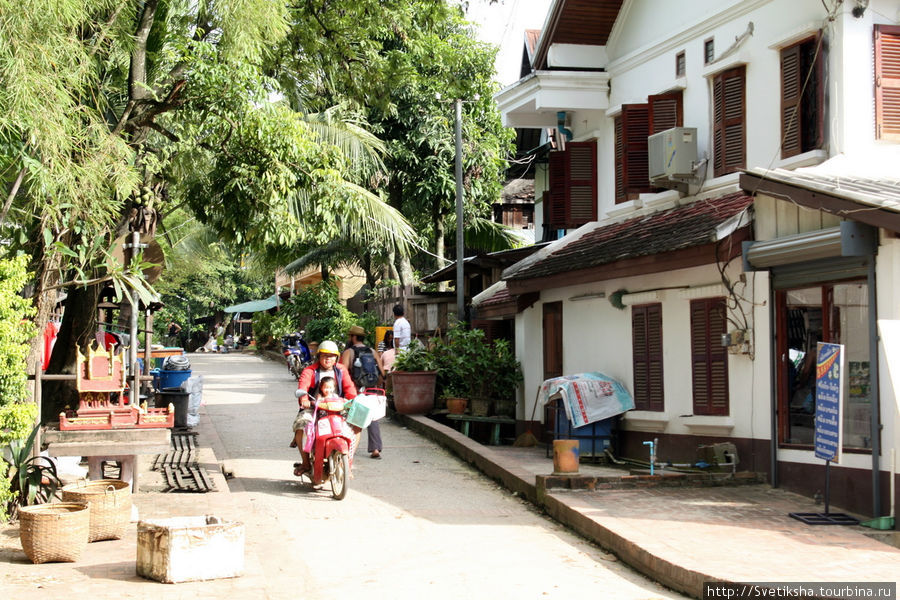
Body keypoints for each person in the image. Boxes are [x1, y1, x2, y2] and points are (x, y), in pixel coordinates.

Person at [292, 340, 357, 476]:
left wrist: (353, 400)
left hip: (338, 407)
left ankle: (348, 463)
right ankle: (306, 463)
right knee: (300, 427)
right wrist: (304, 400)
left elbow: (349, 388)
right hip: (315, 407)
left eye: (331, 356)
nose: (328, 359)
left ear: (336, 358)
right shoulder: (310, 370)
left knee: (357, 424)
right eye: (324, 355)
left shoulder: (341, 370)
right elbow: (303, 386)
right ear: (319, 356)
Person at [341, 325, 385, 459]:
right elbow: (382, 372)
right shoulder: (372, 351)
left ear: (353, 337)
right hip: (371, 389)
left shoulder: (349, 352)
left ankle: (347, 447)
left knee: (351, 417)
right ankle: (375, 449)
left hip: (355, 389)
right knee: (372, 417)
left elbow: (343, 372)